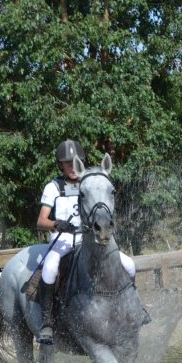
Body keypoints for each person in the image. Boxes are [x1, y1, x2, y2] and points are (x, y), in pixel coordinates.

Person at [35, 139, 138, 344]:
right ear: (60, 165)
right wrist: (56, 224)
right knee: (49, 268)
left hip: (89, 240)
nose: (72, 166)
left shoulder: (90, 182)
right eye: (67, 163)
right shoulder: (53, 187)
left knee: (130, 264)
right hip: (62, 242)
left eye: (76, 161)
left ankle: (132, 310)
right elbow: (41, 221)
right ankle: (47, 323)